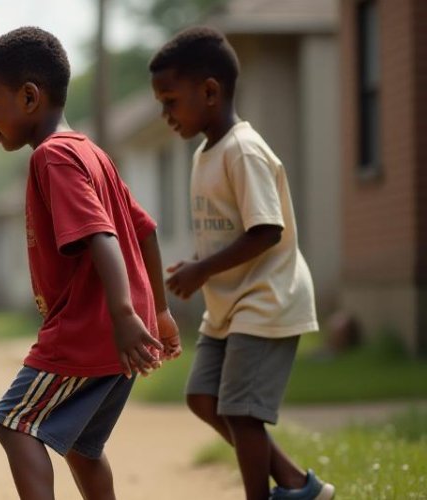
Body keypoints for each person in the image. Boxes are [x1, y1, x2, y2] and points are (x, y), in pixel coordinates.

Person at [0, 27, 180, 500]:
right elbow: (143, 230)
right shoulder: (91, 153)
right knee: (83, 446)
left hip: (92, 325)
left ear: (29, 97)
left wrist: (126, 315)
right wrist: (160, 312)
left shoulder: (54, 156)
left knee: (15, 423)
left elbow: (102, 234)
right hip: (117, 323)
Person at [150, 26, 335, 500]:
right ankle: (297, 484)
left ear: (209, 91)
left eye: (171, 101)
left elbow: (266, 230)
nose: (165, 114)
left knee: (241, 412)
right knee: (202, 397)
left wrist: (203, 270)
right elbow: (228, 229)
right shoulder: (203, 154)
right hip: (228, 305)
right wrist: (200, 263)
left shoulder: (244, 150)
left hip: (266, 299)